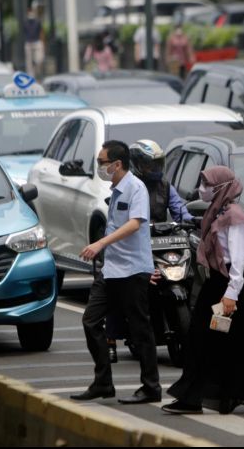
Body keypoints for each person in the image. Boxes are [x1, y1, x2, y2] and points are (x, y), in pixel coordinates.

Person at [162, 166, 244, 414]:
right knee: (216, 340)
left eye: (208, 184)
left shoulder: (234, 217)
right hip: (217, 283)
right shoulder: (217, 212)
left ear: (222, 188)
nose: (202, 189)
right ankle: (199, 396)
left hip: (232, 286)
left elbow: (238, 260)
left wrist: (230, 295)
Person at [71, 141, 161, 404]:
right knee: (90, 321)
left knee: (139, 329)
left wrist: (100, 243)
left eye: (102, 162)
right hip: (111, 269)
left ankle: (151, 387)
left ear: (117, 164)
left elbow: (135, 224)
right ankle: (103, 382)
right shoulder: (115, 189)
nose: (99, 167)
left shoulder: (136, 188)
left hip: (133, 270)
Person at [104, 139, 194, 363]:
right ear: (136, 164)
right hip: (133, 246)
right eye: (148, 164)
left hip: (161, 242)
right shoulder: (129, 186)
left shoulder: (164, 185)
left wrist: (191, 220)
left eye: (157, 163)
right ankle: (110, 340)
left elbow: (179, 209)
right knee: (117, 289)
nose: (154, 168)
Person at [23, 8, 45, 78]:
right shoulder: (25, 23)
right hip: (29, 43)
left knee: (39, 59)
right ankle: (31, 76)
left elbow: (41, 32)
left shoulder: (37, 22)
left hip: (37, 42)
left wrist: (43, 42)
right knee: (29, 62)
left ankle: (37, 70)